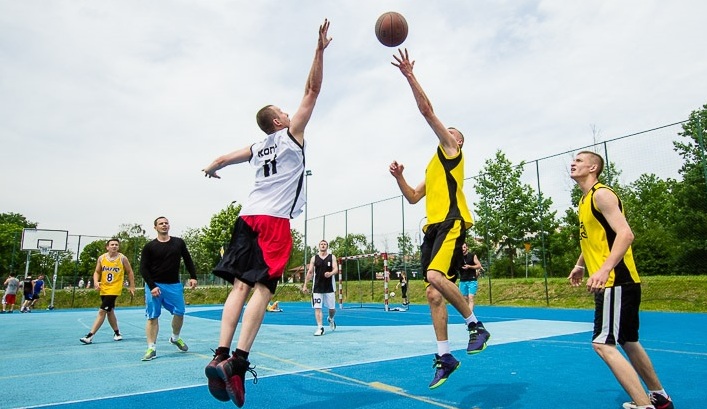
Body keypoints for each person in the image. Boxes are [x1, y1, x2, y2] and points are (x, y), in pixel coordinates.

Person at [201, 19, 332, 408]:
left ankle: (220, 353)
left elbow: (225, 157)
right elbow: (313, 89)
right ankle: (238, 363)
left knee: (239, 286)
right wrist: (319, 50)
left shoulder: (258, 148)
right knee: (262, 289)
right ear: (279, 122)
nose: (291, 113)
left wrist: (213, 167)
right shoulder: (291, 137)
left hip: (246, 218)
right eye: (284, 112)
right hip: (273, 222)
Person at [388, 48, 490, 390]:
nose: (445, 132)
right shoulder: (434, 167)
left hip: (451, 222)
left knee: (434, 275)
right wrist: (399, 177)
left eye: (451, 132)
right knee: (433, 294)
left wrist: (409, 76)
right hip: (432, 228)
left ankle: (476, 325)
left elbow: (427, 111)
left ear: (457, 142)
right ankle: (445, 356)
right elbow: (413, 197)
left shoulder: (451, 151)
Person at [567, 151, 674, 409]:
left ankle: (642, 404)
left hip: (616, 280)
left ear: (593, 167)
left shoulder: (602, 194)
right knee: (628, 340)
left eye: (579, 160)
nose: (573, 163)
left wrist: (603, 269)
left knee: (602, 344)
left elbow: (625, 235)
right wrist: (580, 264)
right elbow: (595, 237)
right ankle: (658, 397)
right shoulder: (585, 201)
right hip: (619, 281)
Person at [139, 216, 198, 361]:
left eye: (166, 223)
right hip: (155, 285)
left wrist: (193, 276)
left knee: (180, 312)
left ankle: (175, 338)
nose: (164, 225)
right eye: (161, 223)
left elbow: (188, 259)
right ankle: (151, 348)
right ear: (155, 227)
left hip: (174, 285)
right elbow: (143, 268)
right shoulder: (149, 247)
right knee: (153, 316)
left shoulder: (178, 243)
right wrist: (152, 286)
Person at [80, 238, 136, 344]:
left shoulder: (122, 258)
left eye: (116, 245)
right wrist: (96, 282)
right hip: (104, 288)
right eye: (112, 244)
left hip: (114, 288)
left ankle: (90, 336)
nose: (114, 246)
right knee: (109, 311)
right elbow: (97, 271)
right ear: (107, 247)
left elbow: (130, 272)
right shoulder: (102, 258)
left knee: (102, 311)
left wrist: (132, 286)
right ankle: (117, 333)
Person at [301, 240, 338, 336]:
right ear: (319, 246)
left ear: (327, 246)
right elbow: (310, 272)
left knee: (332, 309)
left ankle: (330, 318)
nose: (323, 245)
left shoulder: (332, 257)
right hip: (317, 287)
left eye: (325, 244)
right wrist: (305, 285)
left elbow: (336, 269)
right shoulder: (314, 258)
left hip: (329, 287)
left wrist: (330, 273)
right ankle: (320, 327)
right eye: (321, 244)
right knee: (317, 308)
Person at [458, 243, 483, 315]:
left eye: (464, 247)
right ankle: (467, 315)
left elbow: (479, 265)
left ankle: (470, 317)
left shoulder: (472, 256)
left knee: (471, 297)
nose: (463, 249)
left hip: (472, 280)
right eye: (461, 248)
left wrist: (470, 266)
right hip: (463, 280)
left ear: (467, 248)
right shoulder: (458, 257)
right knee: (464, 299)